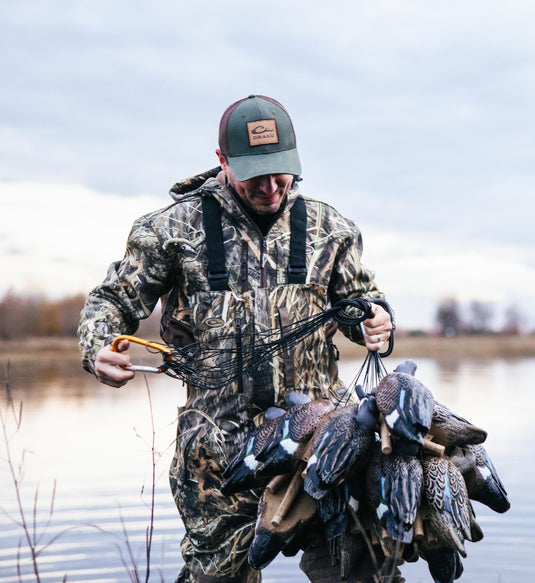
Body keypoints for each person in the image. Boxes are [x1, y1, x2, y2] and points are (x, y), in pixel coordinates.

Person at [78, 95, 394, 583]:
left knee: (362, 572)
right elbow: (111, 300)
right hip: (217, 457)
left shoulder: (331, 228)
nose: (270, 187)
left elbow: (362, 303)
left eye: (280, 172)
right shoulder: (171, 230)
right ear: (223, 161)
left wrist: (376, 321)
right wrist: (98, 346)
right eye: (254, 175)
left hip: (321, 447)